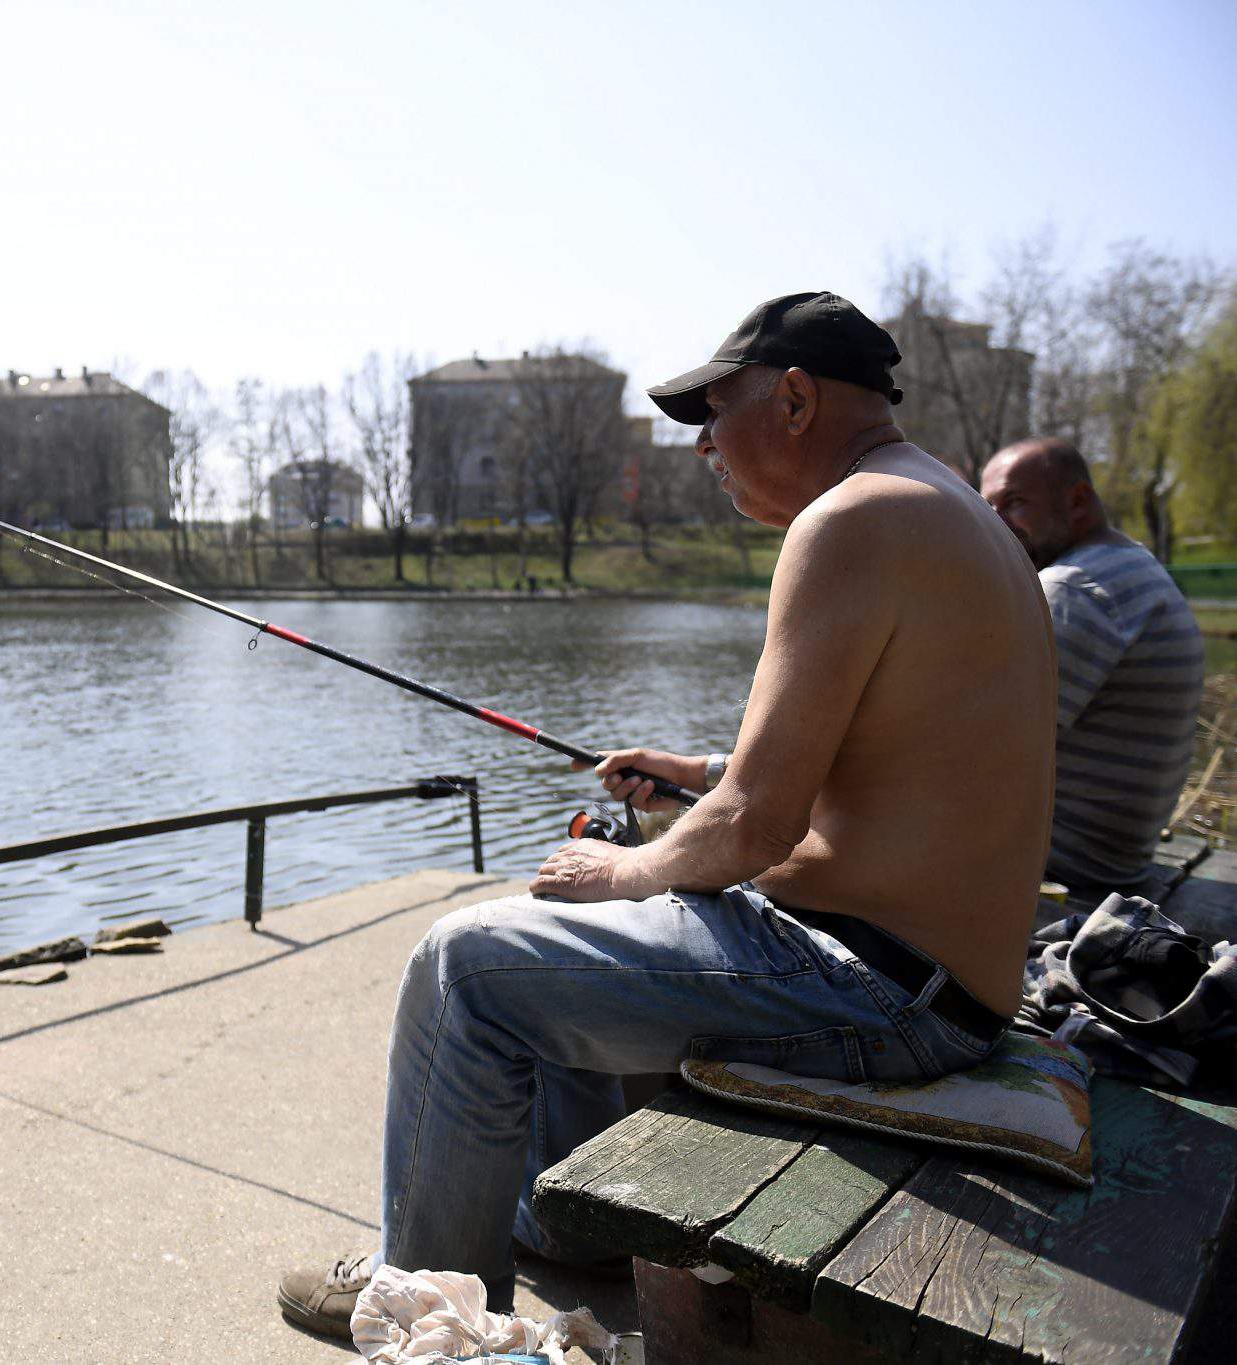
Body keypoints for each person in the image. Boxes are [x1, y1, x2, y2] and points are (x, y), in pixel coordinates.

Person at [277, 292, 1057, 1339]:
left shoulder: (851, 520)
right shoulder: (946, 509)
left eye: (710, 415)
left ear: (790, 400)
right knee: (572, 930)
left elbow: (752, 828)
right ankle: (563, 1221)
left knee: (466, 962)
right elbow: (883, 757)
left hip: (878, 990)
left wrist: (626, 872)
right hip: (937, 978)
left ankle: (426, 1305)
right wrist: (690, 774)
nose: (700, 449)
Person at [979, 437, 1205, 895]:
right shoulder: (1128, 563)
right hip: (1114, 859)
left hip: (1066, 864)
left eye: (1014, 503)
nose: (995, 524)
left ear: (1077, 501)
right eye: (988, 508)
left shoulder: (1074, 589)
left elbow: (978, 748)